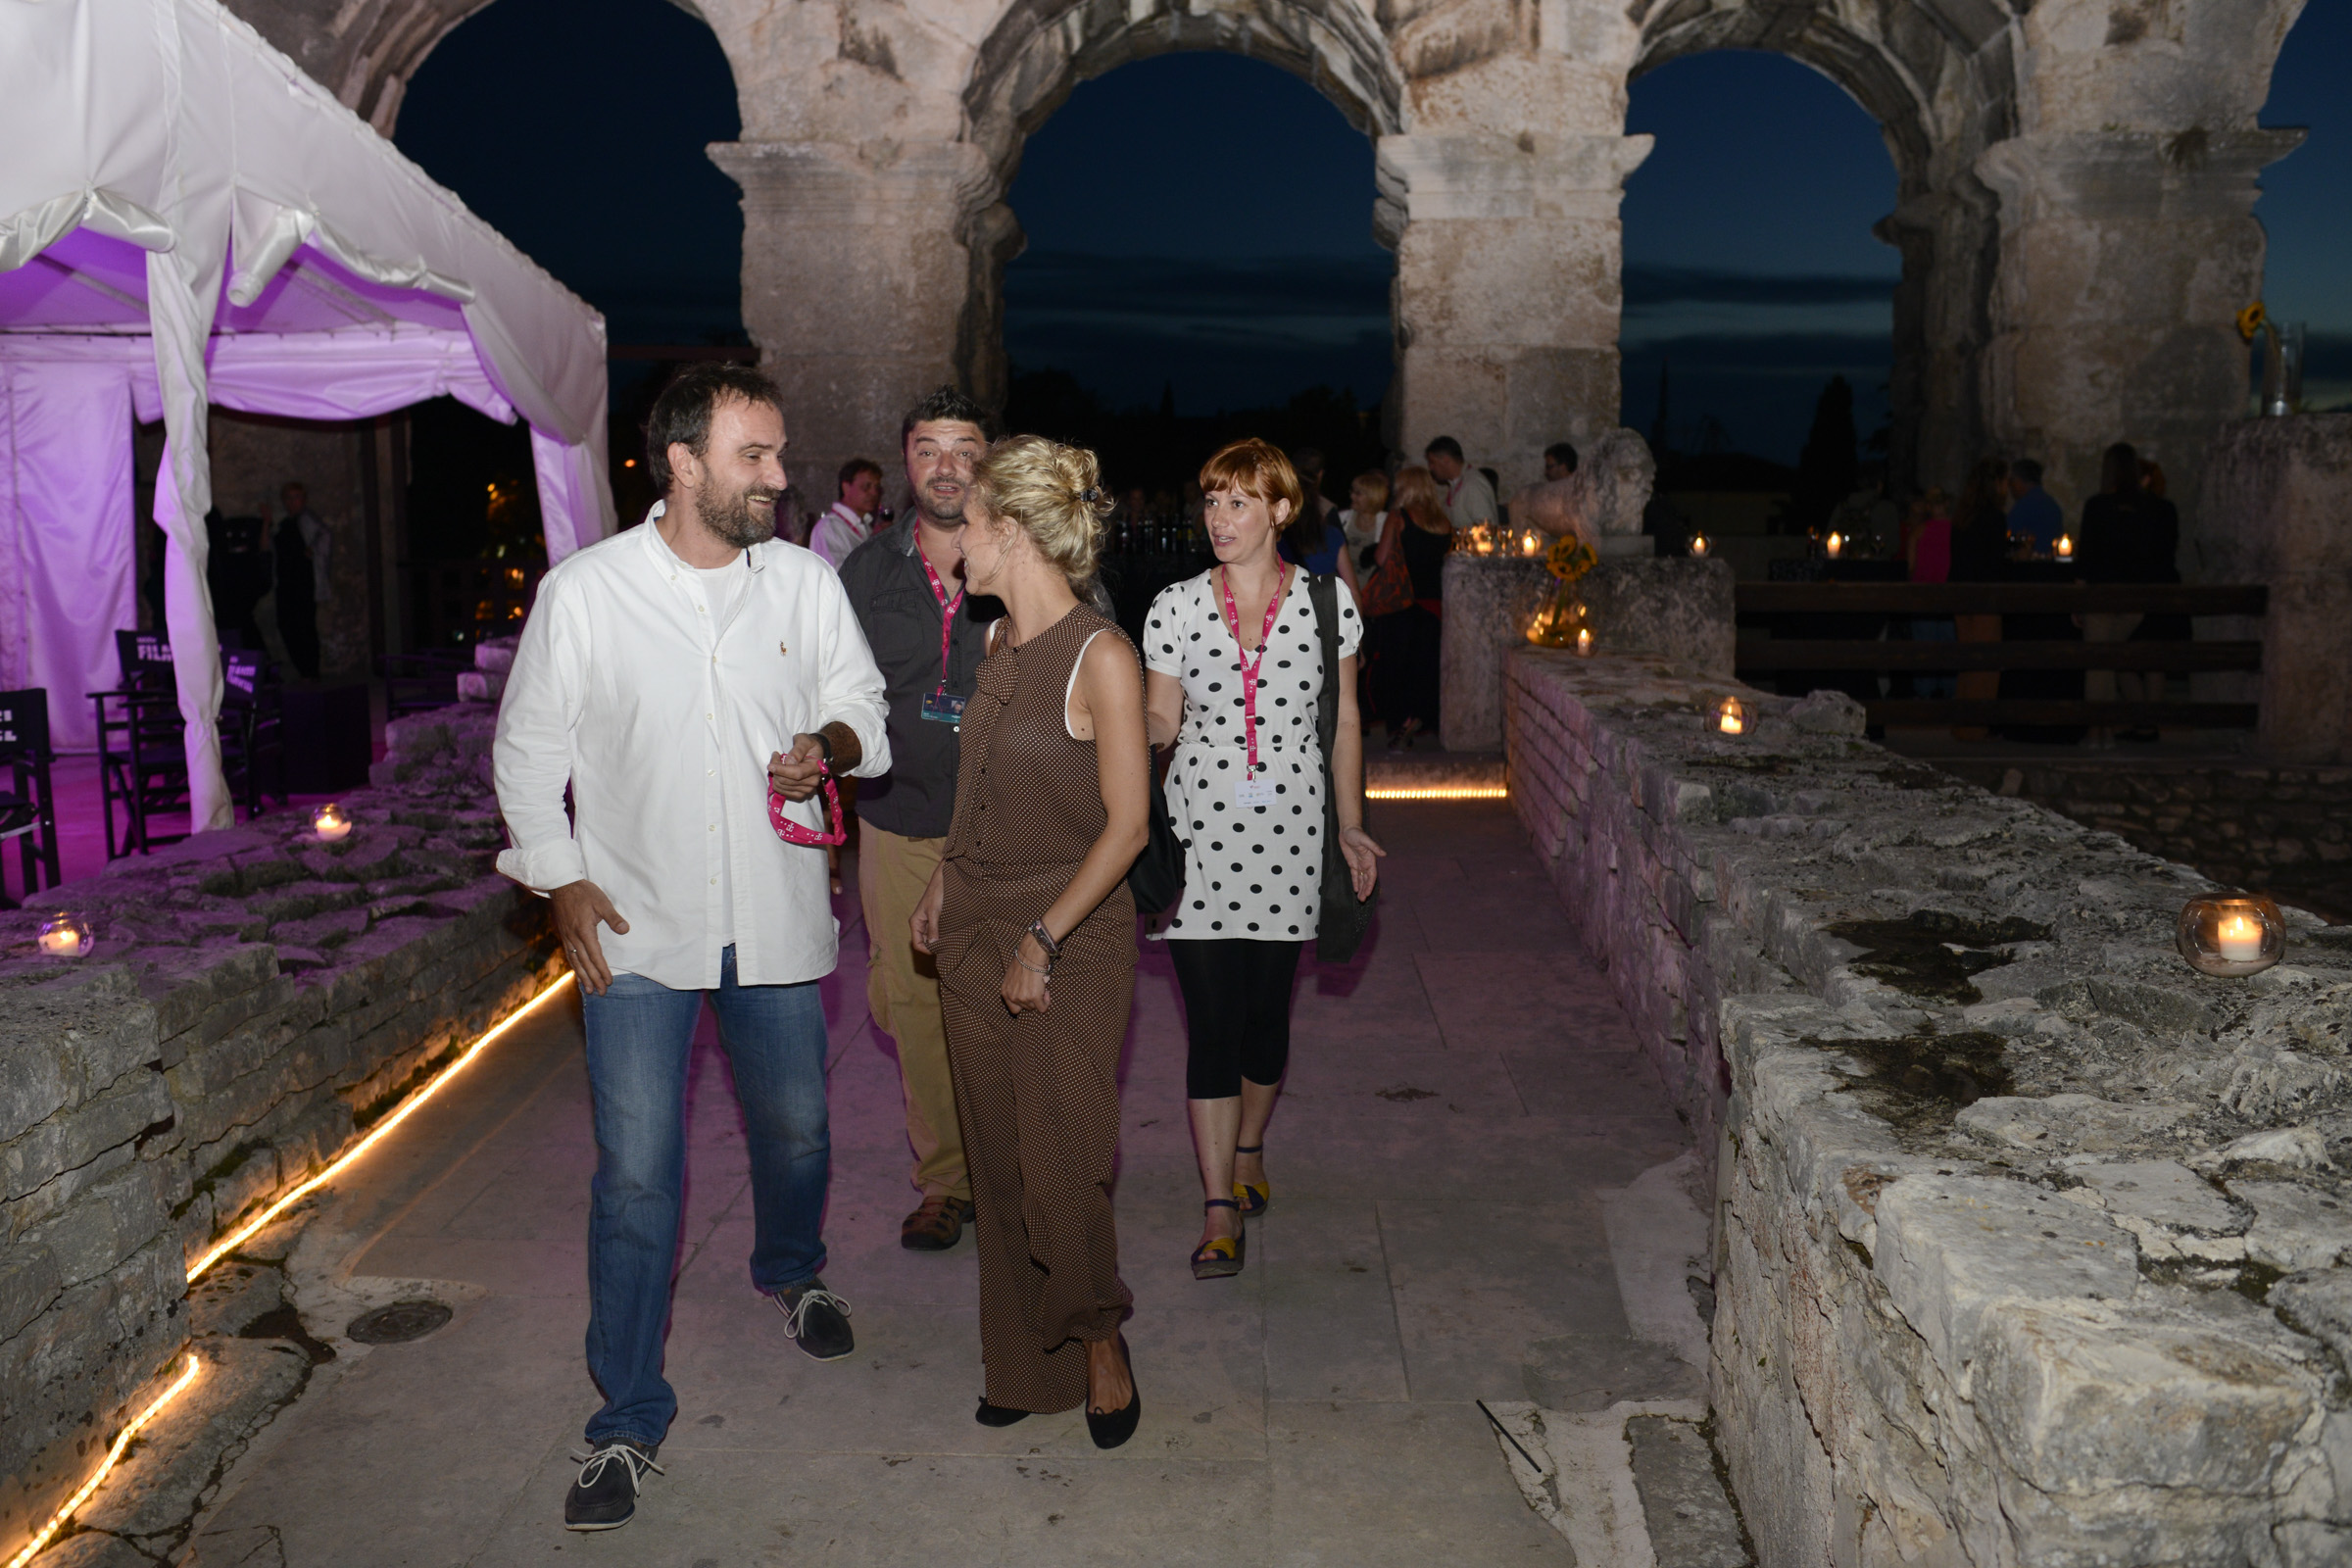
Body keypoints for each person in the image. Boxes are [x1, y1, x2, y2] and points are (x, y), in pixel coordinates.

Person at [492, 365, 891, 1532]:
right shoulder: (586, 593)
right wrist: (558, 872)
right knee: (635, 1172)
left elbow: (864, 708)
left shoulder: (804, 581)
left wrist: (826, 743)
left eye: (778, 453)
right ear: (681, 462)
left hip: (774, 918)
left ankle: (793, 1267)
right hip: (637, 929)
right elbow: (527, 750)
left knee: (797, 1128)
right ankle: (625, 1415)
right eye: (753, 456)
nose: (778, 475)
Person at [909, 435, 1150, 1446]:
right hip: (975, 929)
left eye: (966, 523)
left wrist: (1042, 939)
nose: (954, 540)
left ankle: (1098, 1342)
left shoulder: (1102, 656)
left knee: (1061, 1163)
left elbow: (1128, 827)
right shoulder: (999, 644)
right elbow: (979, 789)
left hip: (1071, 934)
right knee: (999, 1160)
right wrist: (944, 876)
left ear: (1009, 531)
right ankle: (1022, 1361)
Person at [1144, 438, 1382, 1283]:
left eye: (1238, 501)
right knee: (1211, 1024)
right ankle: (1218, 1206)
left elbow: (1343, 722)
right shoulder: (1174, 606)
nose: (1219, 517)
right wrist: (1109, 721)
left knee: (1266, 1019)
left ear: (1281, 510)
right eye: (1212, 500)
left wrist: (1351, 826)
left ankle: (1249, 1145)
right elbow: (1162, 720)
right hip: (1198, 834)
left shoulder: (1328, 603)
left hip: (1291, 833)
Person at [836, 388, 994, 1251]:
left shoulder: (1021, 560)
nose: (945, 466)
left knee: (1006, 1000)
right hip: (897, 820)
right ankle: (946, 1182)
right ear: (906, 461)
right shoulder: (866, 572)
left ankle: (1006, 1167)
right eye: (928, 448)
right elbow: (830, 688)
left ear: (988, 461)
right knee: (911, 1002)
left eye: (964, 448)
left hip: (1003, 826)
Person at [2079, 441, 2180, 747]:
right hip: (2136, 599)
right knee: (2110, 661)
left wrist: (2078, 598)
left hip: (2102, 595)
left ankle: (2098, 731)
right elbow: (2160, 555)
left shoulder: (2097, 506)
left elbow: (2086, 557)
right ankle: (2111, 728)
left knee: (2098, 663)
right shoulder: (2155, 508)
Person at [1368, 465, 1453, 748]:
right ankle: (1419, 718)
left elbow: (1381, 558)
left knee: (1396, 665)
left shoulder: (1398, 517)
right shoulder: (1444, 522)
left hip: (1402, 602)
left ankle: (1400, 724)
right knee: (1424, 666)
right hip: (1435, 604)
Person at [1948, 459, 2010, 736]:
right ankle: (1975, 726)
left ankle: (1963, 722)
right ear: (1995, 483)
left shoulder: (1963, 516)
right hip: (1985, 597)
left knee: (1968, 660)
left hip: (1961, 594)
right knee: (1985, 662)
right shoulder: (1994, 517)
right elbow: (1994, 563)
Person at [1902, 488, 1956, 699]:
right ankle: (1950, 695)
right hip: (1948, 596)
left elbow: (1911, 567)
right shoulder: (1957, 531)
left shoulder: (1919, 531)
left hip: (1923, 596)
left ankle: (1924, 696)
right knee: (1948, 647)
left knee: (1924, 648)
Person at [272, 483, 328, 677]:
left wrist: (313, 549)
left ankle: (310, 672)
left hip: (303, 583)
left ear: (303, 499)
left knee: (304, 626)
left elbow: (324, 536)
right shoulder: (284, 524)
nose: (292, 502)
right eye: (289, 497)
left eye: (296, 497)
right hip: (286, 584)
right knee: (287, 625)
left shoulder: (307, 520)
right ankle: (305, 670)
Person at [812, 458, 884, 570]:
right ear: (846, 487)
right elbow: (839, 573)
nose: (874, 493)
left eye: (877, 487)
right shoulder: (830, 528)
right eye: (866, 487)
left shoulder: (865, 525)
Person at [1424, 436, 1497, 532]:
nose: (1430, 468)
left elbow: (1486, 527)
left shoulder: (1473, 485)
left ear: (1446, 460)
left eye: (1432, 462)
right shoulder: (1457, 483)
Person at [2005, 458, 2062, 555]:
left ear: (2019, 480)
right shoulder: (2053, 506)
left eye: (2012, 481)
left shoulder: (2022, 507)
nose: (2010, 487)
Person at [1339, 469, 1389, 570]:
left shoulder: (1387, 522)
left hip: (1373, 579)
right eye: (1352, 491)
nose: (1351, 496)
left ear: (1373, 497)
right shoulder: (1342, 518)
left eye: (1358, 493)